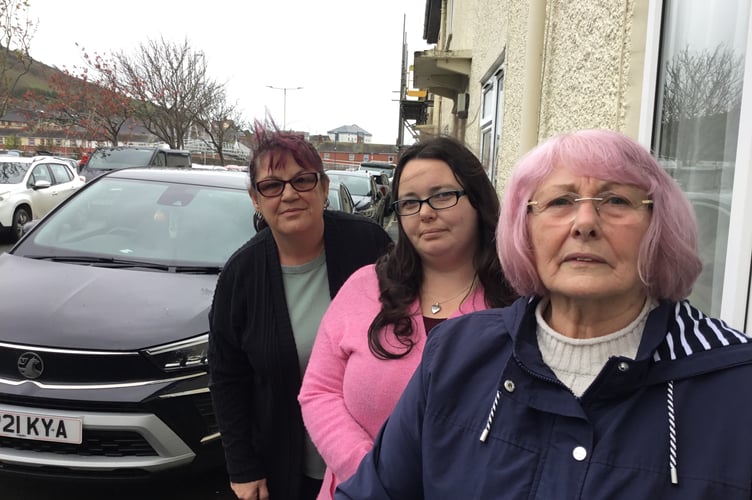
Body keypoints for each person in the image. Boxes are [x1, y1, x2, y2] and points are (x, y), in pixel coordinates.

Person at [336, 129, 752, 499]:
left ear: (658, 227)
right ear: (525, 229)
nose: (585, 222)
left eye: (616, 200)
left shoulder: (734, 382)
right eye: (560, 201)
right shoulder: (456, 354)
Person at [298, 136, 517, 499]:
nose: (426, 212)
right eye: (410, 202)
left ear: (477, 199)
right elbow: (319, 391)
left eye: (442, 195)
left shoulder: (515, 304)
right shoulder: (365, 287)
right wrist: (372, 473)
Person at [208, 120, 392, 500]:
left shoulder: (369, 247)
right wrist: (242, 466)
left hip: (377, 465)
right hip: (286, 470)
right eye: (272, 186)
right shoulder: (241, 276)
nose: (289, 194)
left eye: (302, 180)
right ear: (256, 199)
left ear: (323, 188)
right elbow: (227, 377)